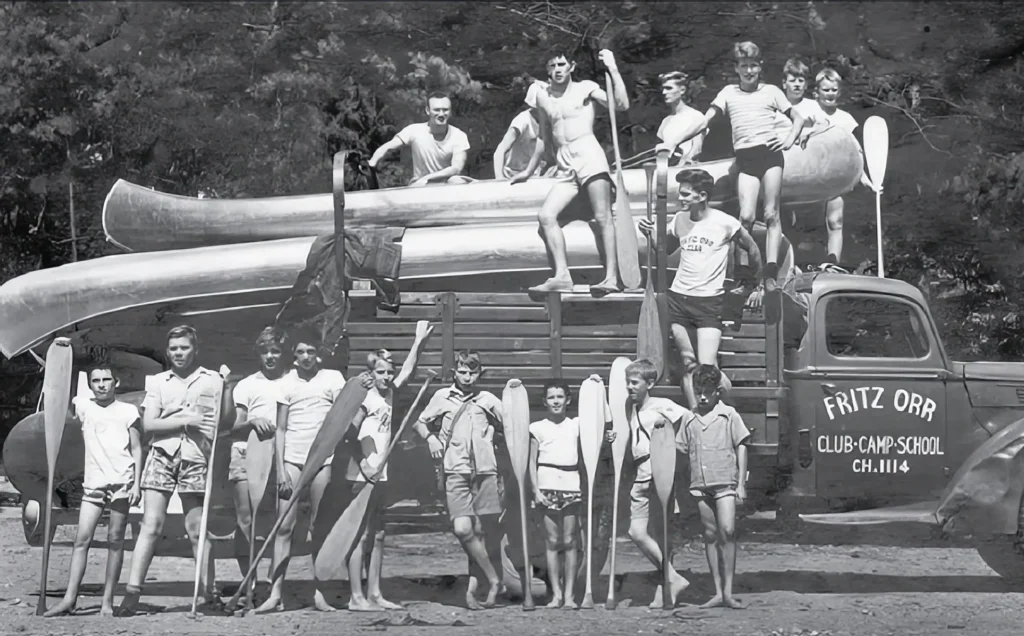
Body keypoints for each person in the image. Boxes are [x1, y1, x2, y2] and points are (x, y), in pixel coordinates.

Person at [659, 41, 806, 318]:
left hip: (770, 157)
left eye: (753, 65)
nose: (749, 70)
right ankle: (745, 276)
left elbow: (797, 117)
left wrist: (788, 139)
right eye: (743, 65)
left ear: (760, 67)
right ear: (736, 68)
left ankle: (771, 274)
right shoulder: (728, 93)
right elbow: (704, 121)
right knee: (746, 217)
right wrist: (674, 142)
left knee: (771, 213)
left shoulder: (772, 92)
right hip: (746, 160)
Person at [119, 325, 236, 615]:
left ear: (194, 349)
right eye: (173, 349)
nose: (178, 353)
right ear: (167, 351)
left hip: (196, 457)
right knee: (151, 525)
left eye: (184, 348)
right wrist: (185, 422)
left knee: (197, 530)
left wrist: (229, 387)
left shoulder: (212, 380)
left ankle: (209, 595)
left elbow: (226, 421)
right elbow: (150, 424)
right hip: (161, 455)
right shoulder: (159, 381)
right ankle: (132, 594)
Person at [255, 329, 373, 613]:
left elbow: (350, 408)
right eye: (300, 353)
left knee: (319, 525)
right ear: (293, 357)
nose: (306, 357)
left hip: (324, 459)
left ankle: (319, 593)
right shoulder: (285, 383)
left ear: (318, 354)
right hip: (293, 460)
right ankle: (276, 594)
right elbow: (280, 430)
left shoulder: (332, 378)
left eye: (311, 352)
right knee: (284, 526)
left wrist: (360, 393)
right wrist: (281, 469)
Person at [639, 168, 763, 408]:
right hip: (679, 299)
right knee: (688, 363)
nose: (680, 198)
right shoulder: (680, 220)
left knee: (708, 368)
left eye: (686, 194)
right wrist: (650, 234)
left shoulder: (725, 222)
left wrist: (754, 284)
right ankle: (695, 415)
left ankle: (727, 411)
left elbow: (753, 249)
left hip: (709, 302)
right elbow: (663, 252)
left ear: (702, 195)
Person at [511, 48, 630, 295]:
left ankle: (611, 277)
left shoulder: (585, 88)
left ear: (571, 66)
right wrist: (529, 170)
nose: (558, 69)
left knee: (603, 216)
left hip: (589, 154)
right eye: (553, 65)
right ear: (547, 70)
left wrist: (613, 68)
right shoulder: (543, 97)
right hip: (565, 163)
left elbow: (621, 105)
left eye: (562, 64)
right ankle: (562, 275)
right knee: (546, 216)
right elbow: (544, 137)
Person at [342, 321, 433, 612]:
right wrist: (365, 466)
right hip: (361, 474)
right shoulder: (363, 396)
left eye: (388, 372)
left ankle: (376, 593)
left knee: (379, 534)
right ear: (370, 373)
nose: (386, 376)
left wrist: (419, 341)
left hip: (381, 474)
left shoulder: (390, 392)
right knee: (359, 534)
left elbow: (407, 369)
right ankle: (356, 597)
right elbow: (348, 437)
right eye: (380, 372)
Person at [44, 356, 143, 617]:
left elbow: (136, 447)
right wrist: (60, 359)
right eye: (95, 381)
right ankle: (69, 598)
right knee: (81, 540)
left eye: (106, 380)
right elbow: (58, 395)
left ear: (116, 382)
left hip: (122, 482)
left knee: (115, 542)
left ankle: (107, 602)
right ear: (90, 385)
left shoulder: (128, 411)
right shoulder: (84, 407)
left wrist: (137, 484)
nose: (101, 385)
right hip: (94, 486)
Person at [412, 350, 506, 610]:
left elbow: (513, 424)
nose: (467, 377)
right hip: (455, 470)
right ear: (454, 372)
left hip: (486, 471)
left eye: (472, 372)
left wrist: (494, 430)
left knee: (480, 534)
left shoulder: (487, 399)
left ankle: (472, 591)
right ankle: (495, 579)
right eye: (462, 371)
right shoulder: (442, 397)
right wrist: (430, 438)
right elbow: (420, 423)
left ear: (480, 373)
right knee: (463, 529)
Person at [527, 379, 613, 609]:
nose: (556, 401)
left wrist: (598, 388)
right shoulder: (537, 427)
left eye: (560, 397)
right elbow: (531, 462)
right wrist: (535, 490)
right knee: (552, 541)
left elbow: (603, 420)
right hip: (546, 485)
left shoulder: (576, 424)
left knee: (570, 540)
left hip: (571, 485)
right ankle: (555, 595)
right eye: (552, 397)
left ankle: (570, 596)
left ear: (568, 400)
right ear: (545, 401)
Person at [673, 364, 750, 610]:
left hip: (725, 482)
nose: (702, 396)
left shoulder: (729, 415)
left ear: (718, 391)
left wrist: (741, 485)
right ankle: (717, 592)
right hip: (700, 486)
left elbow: (742, 445)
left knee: (727, 531)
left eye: (708, 391)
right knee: (709, 534)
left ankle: (728, 592)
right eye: (698, 391)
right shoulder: (689, 417)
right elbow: (680, 449)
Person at [623, 358, 692, 609]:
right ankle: (672, 579)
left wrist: (675, 444)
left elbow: (689, 421)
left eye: (634, 382)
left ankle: (664, 590)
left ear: (650, 383)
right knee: (637, 532)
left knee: (660, 533)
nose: (629, 387)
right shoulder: (632, 408)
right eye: (627, 383)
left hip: (658, 471)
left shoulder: (662, 405)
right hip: (640, 473)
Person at [796, 67, 881, 267]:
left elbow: (855, 153)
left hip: (833, 179)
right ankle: (796, 262)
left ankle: (832, 260)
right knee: (800, 224)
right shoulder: (807, 112)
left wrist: (867, 180)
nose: (830, 94)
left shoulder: (845, 119)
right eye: (826, 90)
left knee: (836, 220)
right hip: (808, 177)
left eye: (834, 90)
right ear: (816, 92)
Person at [227, 326, 288, 600]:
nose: (270, 357)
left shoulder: (292, 382)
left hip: (282, 455)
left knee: (278, 521)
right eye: (265, 352)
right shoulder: (247, 384)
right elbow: (235, 424)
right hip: (245, 451)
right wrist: (252, 421)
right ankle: (249, 580)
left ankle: (273, 584)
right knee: (245, 519)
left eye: (275, 351)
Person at [368, 92, 473, 187]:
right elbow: (388, 146)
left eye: (445, 110)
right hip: (420, 185)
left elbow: (456, 168)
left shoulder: (459, 136)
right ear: (428, 111)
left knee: (457, 181)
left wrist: (428, 177)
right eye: (436, 110)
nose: (441, 114)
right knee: (417, 187)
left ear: (450, 112)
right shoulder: (414, 130)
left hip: (446, 184)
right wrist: (372, 162)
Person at [493, 82, 555, 179]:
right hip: (513, 174)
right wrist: (499, 178)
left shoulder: (550, 122)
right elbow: (500, 151)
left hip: (535, 173)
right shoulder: (523, 121)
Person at [656, 71, 707, 165]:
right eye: (663, 89)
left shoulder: (695, 116)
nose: (664, 92)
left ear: (682, 90)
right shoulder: (665, 121)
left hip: (688, 172)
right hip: (666, 171)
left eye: (668, 88)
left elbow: (695, 151)